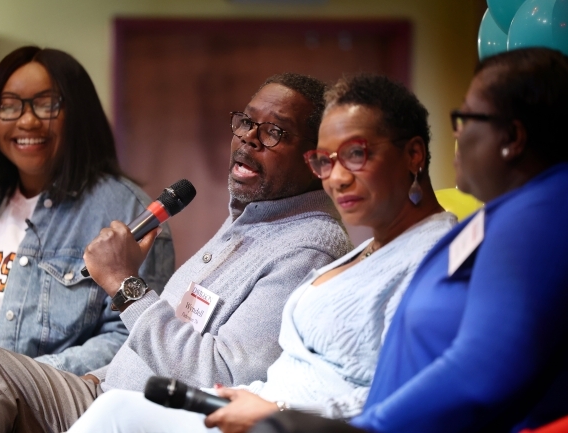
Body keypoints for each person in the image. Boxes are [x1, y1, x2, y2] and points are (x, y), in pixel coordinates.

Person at [0, 73, 352, 433]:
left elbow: (223, 378)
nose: (249, 139)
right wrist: (99, 376)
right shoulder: (251, 220)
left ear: (316, 159)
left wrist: (125, 285)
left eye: (274, 131)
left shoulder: (306, 248)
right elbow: (161, 340)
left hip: (144, 417)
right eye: (246, 123)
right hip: (101, 391)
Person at [59, 74, 458, 433]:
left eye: (356, 155)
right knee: (114, 408)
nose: (337, 176)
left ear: (414, 156)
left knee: (112, 413)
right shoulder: (366, 251)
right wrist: (252, 397)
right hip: (246, 407)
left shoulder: (436, 258)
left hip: (288, 423)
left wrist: (274, 408)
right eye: (327, 161)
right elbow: (290, 368)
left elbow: (399, 394)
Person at [0, 46, 174, 375]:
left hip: (28, 414)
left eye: (46, 103)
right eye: (9, 105)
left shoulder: (126, 212)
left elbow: (134, 341)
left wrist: (17, 380)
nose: (27, 120)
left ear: (79, 114)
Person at [350, 48, 568, 432]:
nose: (456, 133)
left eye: (465, 118)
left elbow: (483, 367)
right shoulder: (518, 210)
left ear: (513, 137)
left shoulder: (539, 214)